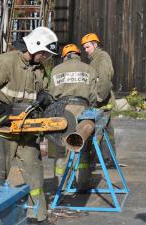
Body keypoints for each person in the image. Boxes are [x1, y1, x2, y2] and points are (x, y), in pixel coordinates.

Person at [0, 26, 58, 225]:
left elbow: (42, 89)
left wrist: (44, 97)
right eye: (44, 53)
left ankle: (38, 217)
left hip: (27, 131)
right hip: (3, 131)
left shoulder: (39, 69)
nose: (46, 58)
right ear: (34, 46)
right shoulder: (7, 62)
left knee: (35, 177)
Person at [47, 43, 97, 190]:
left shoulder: (56, 70)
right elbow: (93, 95)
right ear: (78, 55)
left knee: (61, 149)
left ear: (64, 57)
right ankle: (82, 184)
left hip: (63, 111)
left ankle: (61, 185)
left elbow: (51, 93)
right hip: (83, 110)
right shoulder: (89, 69)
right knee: (83, 146)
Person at [81, 33, 116, 166]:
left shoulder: (102, 57)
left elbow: (105, 81)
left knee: (98, 133)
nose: (86, 50)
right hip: (102, 103)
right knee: (107, 132)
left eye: (88, 47)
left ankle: (105, 159)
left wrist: (98, 99)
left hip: (102, 103)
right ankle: (108, 159)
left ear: (95, 45)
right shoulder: (95, 59)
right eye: (84, 48)